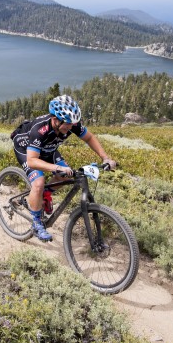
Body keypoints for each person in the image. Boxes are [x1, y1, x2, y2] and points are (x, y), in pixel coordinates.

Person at [10, 95, 117, 242]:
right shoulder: (40, 129)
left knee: (65, 175)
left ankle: (45, 194)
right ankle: (36, 223)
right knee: (39, 183)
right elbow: (33, 161)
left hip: (48, 149)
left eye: (72, 123)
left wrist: (105, 158)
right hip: (26, 149)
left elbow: (89, 138)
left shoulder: (71, 123)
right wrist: (55, 167)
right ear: (55, 119)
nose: (70, 127)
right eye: (67, 124)